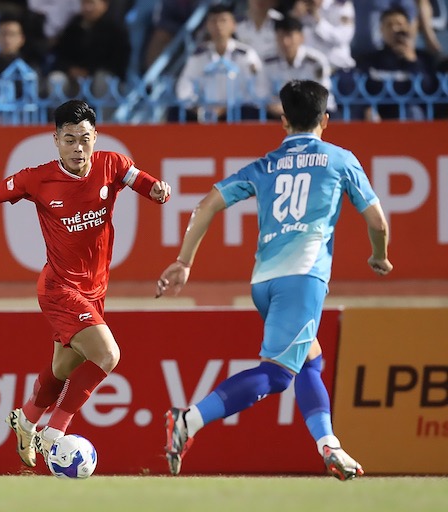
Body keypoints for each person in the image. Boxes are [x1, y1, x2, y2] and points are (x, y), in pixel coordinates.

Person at [156, 79, 393, 481]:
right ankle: (187, 420)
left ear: (283, 121)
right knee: (280, 374)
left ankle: (328, 445)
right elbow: (378, 222)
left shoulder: (264, 165)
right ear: (326, 120)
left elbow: (206, 204)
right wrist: (379, 256)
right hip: (302, 280)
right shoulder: (340, 160)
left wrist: (183, 261)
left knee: (310, 362)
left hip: (263, 282)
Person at [0, 100, 171, 467]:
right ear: (56, 140)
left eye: (85, 139)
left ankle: (25, 418)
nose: (78, 148)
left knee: (62, 370)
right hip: (59, 288)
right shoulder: (36, 179)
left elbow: (143, 182)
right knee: (108, 354)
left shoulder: (111, 164)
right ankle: (54, 433)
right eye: (69, 139)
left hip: (95, 290)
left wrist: (158, 190)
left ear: (95, 137)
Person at [175, 3, 263, 122]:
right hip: (205, 114)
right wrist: (200, 109)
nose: (218, 25)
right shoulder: (198, 56)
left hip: (238, 113)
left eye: (223, 20)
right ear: (207, 26)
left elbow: (256, 88)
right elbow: (184, 89)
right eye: (213, 21)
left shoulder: (246, 55)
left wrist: (227, 107)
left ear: (233, 25)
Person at [357, 6, 439, 121]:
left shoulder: (423, 58)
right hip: (380, 117)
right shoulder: (369, 60)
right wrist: (368, 109)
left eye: (399, 24)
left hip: (411, 116)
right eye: (389, 25)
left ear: (408, 27)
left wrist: (412, 60)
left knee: (414, 112)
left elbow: (429, 90)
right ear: (381, 30)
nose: (395, 29)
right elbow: (360, 91)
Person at [256, 15, 335, 118]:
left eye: (290, 36)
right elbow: (262, 93)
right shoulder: (268, 62)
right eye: (281, 36)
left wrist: (294, 108)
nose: (285, 42)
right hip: (279, 113)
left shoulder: (315, 61)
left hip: (313, 112)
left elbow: (321, 94)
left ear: (301, 37)